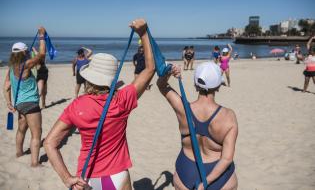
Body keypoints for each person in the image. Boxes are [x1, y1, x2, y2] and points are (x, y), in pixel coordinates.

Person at [44, 19, 155, 190]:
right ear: (111, 80)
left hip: (86, 177)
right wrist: (144, 33)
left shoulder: (77, 106)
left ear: (89, 77)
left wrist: (67, 179)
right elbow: (149, 69)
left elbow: (50, 143)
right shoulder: (122, 99)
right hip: (117, 175)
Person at [157, 62, 238, 190]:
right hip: (220, 177)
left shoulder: (183, 108)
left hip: (186, 172)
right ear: (218, 86)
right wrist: (204, 184)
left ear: (196, 84)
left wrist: (169, 71)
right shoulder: (228, 116)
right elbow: (227, 159)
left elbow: (161, 85)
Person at [3, 27, 47, 167]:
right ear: (23, 52)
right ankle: (35, 163)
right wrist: (41, 36)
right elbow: (41, 54)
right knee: (36, 133)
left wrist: (9, 102)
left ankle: (19, 153)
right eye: (26, 51)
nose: (28, 52)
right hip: (31, 104)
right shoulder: (26, 65)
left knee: (21, 129)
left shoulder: (11, 67)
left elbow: (6, 87)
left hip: (19, 104)